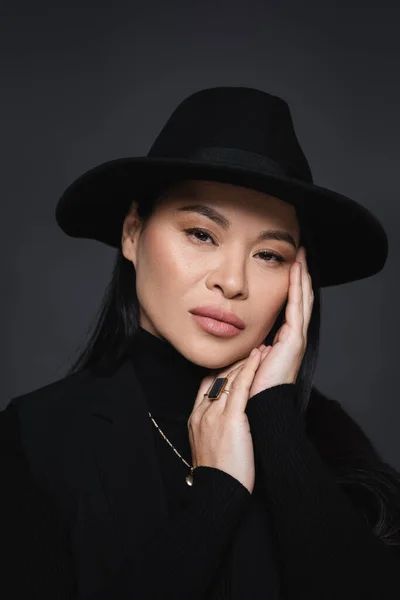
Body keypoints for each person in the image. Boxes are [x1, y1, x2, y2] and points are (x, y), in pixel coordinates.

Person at [1, 86, 400, 600]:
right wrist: (217, 499)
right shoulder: (35, 439)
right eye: (202, 234)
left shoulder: (323, 435)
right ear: (131, 233)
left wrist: (276, 420)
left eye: (270, 255)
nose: (232, 281)